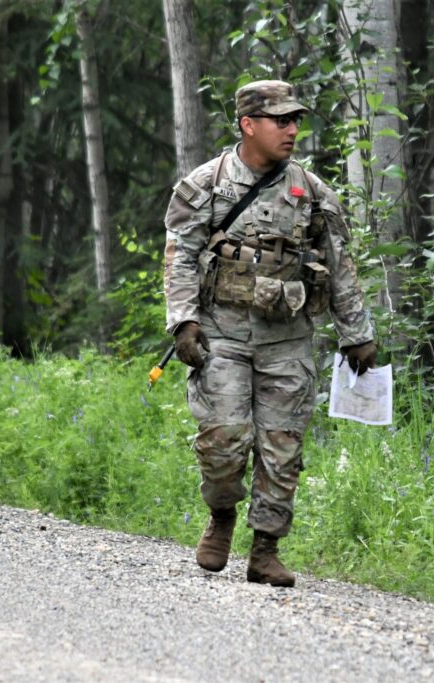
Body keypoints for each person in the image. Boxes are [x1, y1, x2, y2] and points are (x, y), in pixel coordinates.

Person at [162, 79, 377, 587]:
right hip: (222, 336)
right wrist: (184, 321)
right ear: (248, 125)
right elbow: (180, 258)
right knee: (223, 442)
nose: (292, 129)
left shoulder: (311, 190)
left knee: (283, 448)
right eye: (281, 120)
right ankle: (221, 517)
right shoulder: (207, 184)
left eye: (295, 120)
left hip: (288, 339)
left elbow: (340, 266)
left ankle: (266, 549)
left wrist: (357, 334)